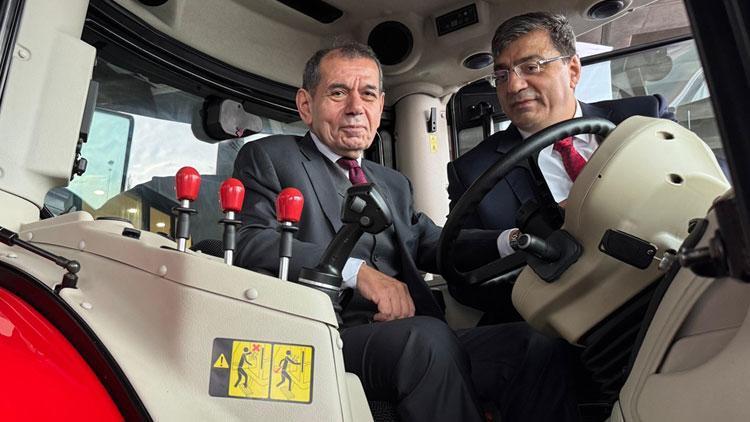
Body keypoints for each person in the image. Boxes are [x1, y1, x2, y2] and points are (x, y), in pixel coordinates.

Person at [234, 42, 578, 422]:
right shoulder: (271, 157)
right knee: (426, 340)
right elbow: (251, 240)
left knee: (535, 344)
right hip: (325, 336)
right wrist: (358, 272)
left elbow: (431, 244)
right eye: (337, 92)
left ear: (380, 106)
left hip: (413, 332)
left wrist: (513, 239)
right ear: (305, 105)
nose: (354, 107)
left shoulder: (392, 182)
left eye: (367, 94)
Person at [446, 12, 674, 318]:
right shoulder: (474, 171)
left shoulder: (644, 118)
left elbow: (709, 188)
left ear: (573, 70)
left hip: (669, 285)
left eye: (531, 67)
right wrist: (524, 241)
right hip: (563, 320)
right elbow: (460, 269)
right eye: (502, 76)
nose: (513, 86)